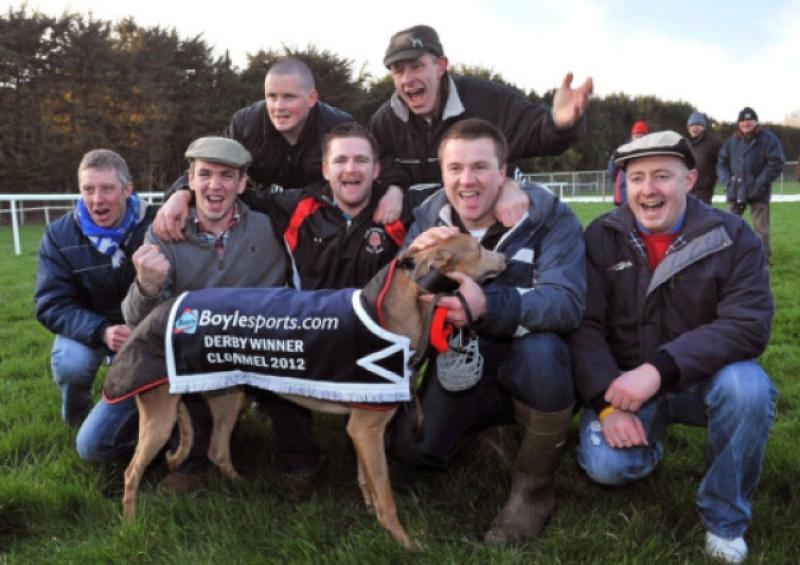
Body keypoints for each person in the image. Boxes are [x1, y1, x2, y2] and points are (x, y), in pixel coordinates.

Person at [570, 131, 776, 564]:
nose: (648, 189)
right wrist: (606, 404)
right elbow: (585, 325)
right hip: (625, 386)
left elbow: (748, 324)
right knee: (608, 467)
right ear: (623, 184)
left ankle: (725, 520)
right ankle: (649, 444)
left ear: (691, 179)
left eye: (662, 176)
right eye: (636, 177)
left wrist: (660, 368)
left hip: (704, 382)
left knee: (749, 389)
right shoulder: (602, 236)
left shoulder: (733, 236)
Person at [388, 118, 586, 544]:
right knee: (414, 450)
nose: (466, 180)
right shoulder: (428, 217)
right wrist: (415, 261)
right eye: (455, 168)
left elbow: (567, 302)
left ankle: (533, 490)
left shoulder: (549, 217)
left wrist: (488, 306)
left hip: (525, 357)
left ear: (504, 172)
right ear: (441, 174)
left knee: (544, 353)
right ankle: (483, 427)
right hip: (463, 358)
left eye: (480, 167)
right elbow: (400, 299)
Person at [76, 137, 292, 491]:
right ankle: (176, 439)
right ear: (189, 180)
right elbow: (134, 320)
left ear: (242, 183)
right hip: (175, 359)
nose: (214, 185)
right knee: (94, 445)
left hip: (244, 354)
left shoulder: (269, 230)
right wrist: (147, 286)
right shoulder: (164, 230)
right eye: (204, 174)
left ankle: (212, 446)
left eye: (226, 176)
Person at [153, 57, 402, 240]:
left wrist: (394, 191)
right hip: (260, 217)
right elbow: (212, 165)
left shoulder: (339, 126)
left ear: (312, 98)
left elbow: (380, 162)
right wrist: (180, 194)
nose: (278, 106)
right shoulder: (246, 124)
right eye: (271, 96)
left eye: (289, 97)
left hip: (318, 222)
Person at [370, 24, 592, 227]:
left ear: (441, 66)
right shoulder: (383, 122)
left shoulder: (486, 100)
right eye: (398, 71)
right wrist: (394, 188)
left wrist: (560, 122)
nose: (407, 79)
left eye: (416, 66)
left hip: (484, 235)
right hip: (422, 238)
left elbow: (536, 132)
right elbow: (380, 164)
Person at [35, 149, 156, 426]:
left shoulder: (158, 223)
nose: (96, 199)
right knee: (71, 362)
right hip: (92, 327)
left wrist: (144, 327)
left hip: (148, 324)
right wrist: (101, 331)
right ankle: (77, 419)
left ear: (127, 189)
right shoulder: (59, 235)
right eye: (88, 189)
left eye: (107, 189)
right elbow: (51, 304)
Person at [717, 107, 785, 260]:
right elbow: (721, 163)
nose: (746, 123)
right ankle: (728, 258)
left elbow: (776, 162)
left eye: (750, 120)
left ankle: (762, 260)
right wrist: (728, 183)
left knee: (761, 229)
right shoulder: (731, 141)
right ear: (739, 123)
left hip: (759, 191)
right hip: (735, 191)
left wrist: (758, 184)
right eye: (743, 121)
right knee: (729, 226)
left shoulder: (769, 139)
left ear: (756, 122)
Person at [608, 120, 649, 205]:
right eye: (636, 136)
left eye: (640, 136)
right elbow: (612, 169)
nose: (638, 139)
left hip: (633, 190)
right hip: (626, 191)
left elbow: (612, 170)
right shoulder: (649, 151)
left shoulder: (621, 150)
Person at [685, 111, 722, 205]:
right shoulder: (685, 143)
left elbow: (722, 162)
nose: (694, 128)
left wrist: (713, 180)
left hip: (704, 191)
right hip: (687, 188)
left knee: (703, 217)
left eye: (697, 124)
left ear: (704, 126)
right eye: (691, 125)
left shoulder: (714, 142)